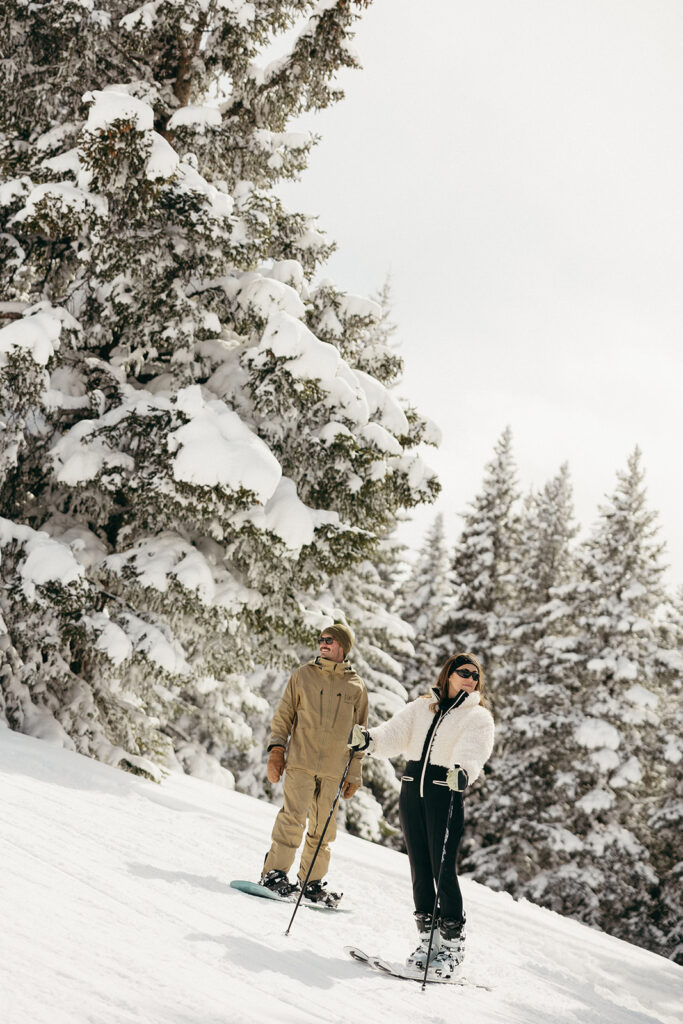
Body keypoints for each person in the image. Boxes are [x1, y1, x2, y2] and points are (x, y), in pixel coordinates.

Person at [349, 652, 494, 977]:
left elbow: (475, 750)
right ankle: (428, 941)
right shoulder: (422, 707)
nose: (470, 678)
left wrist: (464, 771)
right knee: (419, 867)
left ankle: (452, 948)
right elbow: (393, 735)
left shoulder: (478, 717)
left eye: (475, 675)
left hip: (445, 792)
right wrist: (368, 741)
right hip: (412, 791)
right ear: (449, 674)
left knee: (442, 869)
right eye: (464, 672)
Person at [260, 623, 368, 907]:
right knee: (292, 819)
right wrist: (276, 750)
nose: (323, 644)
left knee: (324, 828)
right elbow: (284, 715)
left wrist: (354, 772)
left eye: (329, 640)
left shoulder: (356, 687)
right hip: (301, 762)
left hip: (335, 769)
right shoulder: (303, 676)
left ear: (343, 646)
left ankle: (311, 883)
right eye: (321, 639)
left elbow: (361, 735)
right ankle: (274, 874)